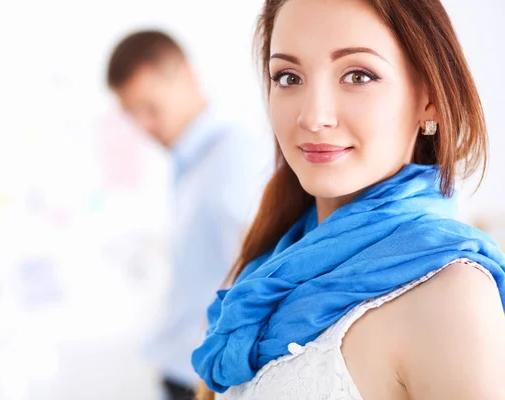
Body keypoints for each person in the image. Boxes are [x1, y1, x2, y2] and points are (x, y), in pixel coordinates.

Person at [192, 0, 505, 399]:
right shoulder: (265, 275)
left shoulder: (451, 294)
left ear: (428, 97)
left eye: (357, 75)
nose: (312, 116)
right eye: (288, 77)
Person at [106, 31, 271, 399]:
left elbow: (258, 281)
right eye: (132, 114)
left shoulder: (235, 160)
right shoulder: (189, 165)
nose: (144, 126)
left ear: (188, 77)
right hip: (181, 370)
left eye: (150, 107)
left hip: (204, 383)